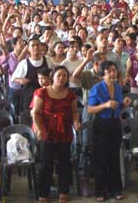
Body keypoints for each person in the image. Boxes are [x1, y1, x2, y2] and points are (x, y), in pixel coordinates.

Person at [32, 66, 80, 203]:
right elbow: (35, 113)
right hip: (47, 132)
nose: (62, 78)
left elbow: (74, 111)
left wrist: (76, 121)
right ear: (52, 76)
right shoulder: (42, 93)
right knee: (45, 163)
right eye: (59, 75)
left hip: (64, 132)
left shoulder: (70, 94)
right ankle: (43, 194)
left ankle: (63, 191)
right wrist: (40, 129)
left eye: (64, 76)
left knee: (64, 162)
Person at [87, 61, 131, 202]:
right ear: (102, 74)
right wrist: (105, 104)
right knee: (101, 158)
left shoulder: (117, 87)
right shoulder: (97, 88)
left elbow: (118, 106)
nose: (113, 73)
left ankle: (115, 189)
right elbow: (90, 109)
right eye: (109, 71)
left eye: (114, 70)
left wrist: (124, 103)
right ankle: (101, 191)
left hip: (114, 124)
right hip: (100, 124)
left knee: (114, 158)